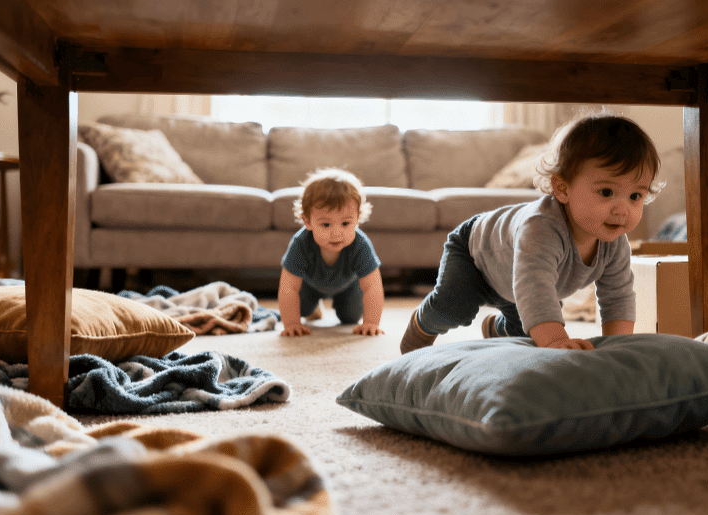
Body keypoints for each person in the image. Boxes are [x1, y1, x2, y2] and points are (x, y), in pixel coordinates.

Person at [400, 111, 662, 353]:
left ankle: (496, 328)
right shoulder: (541, 229)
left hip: (518, 283)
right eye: (606, 192)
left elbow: (618, 295)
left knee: (526, 332)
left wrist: (616, 347)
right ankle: (422, 323)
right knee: (455, 307)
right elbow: (534, 288)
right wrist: (557, 340)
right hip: (476, 256)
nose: (622, 210)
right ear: (562, 189)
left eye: (635, 196)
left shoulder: (614, 241)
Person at [279, 168, 385, 337]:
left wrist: (371, 323)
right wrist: (291, 324)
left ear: (357, 219)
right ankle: (314, 310)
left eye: (345, 223)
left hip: (348, 287)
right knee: (302, 308)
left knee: (350, 317)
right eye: (326, 225)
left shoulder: (360, 244)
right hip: (308, 286)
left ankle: (343, 307)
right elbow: (288, 287)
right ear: (307, 221)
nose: (336, 233)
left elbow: (373, 287)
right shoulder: (301, 243)